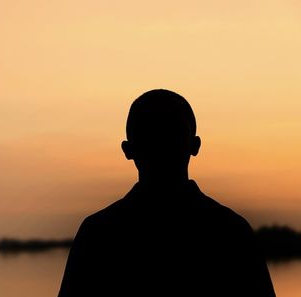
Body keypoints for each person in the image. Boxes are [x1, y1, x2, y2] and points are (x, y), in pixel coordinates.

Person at [58, 89, 275, 296]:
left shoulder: (98, 233)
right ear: (195, 145)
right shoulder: (232, 231)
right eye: (151, 134)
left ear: (127, 150)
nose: (161, 144)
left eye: (170, 133)